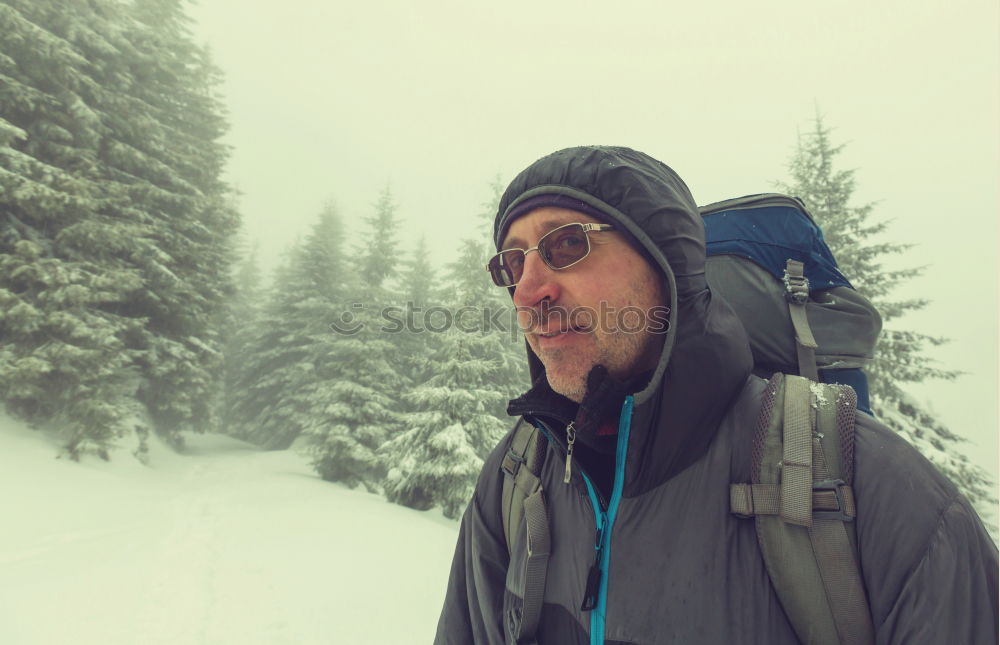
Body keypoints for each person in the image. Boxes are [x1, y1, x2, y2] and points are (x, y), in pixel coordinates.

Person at [434, 145, 998, 644]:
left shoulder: (875, 488)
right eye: (513, 263)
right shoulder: (513, 482)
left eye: (566, 245)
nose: (529, 290)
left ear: (667, 268)